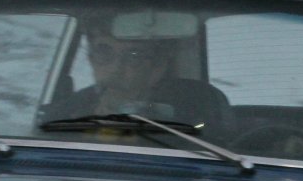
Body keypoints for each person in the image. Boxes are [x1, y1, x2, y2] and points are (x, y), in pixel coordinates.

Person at [53, 26, 231, 136]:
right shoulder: (66, 115)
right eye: (104, 52)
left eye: (134, 55)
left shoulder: (194, 110)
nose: (116, 69)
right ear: (91, 59)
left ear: (157, 67)